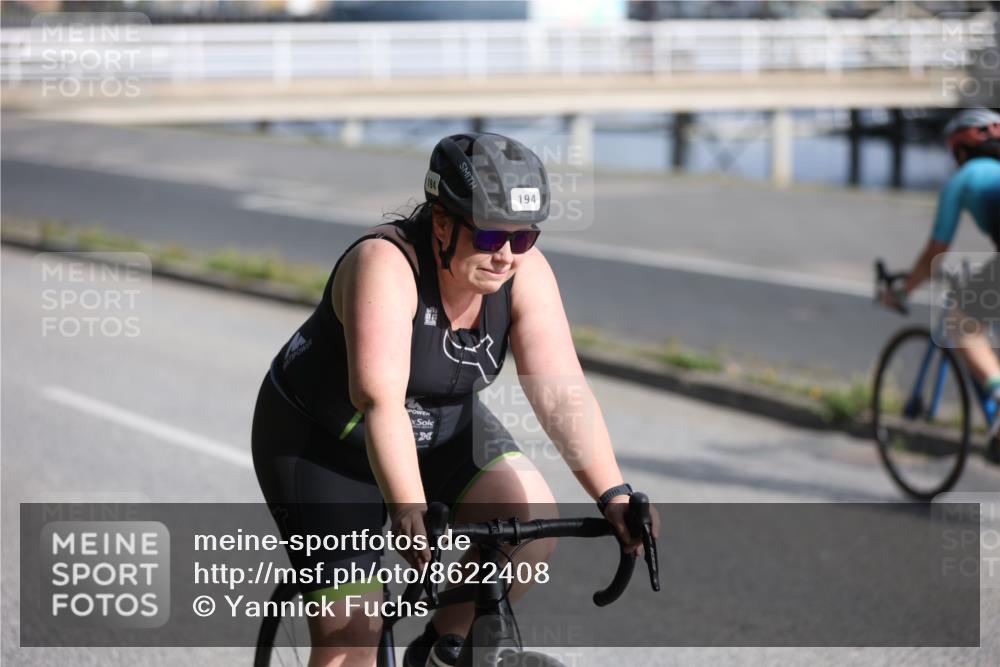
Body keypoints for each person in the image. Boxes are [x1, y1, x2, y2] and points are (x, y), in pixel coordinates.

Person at [251, 132, 660, 667]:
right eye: (490, 236)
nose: (507, 256)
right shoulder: (386, 265)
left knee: (528, 538)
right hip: (322, 442)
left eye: (525, 238)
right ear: (441, 222)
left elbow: (562, 391)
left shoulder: (524, 273)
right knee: (353, 639)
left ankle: (436, 652)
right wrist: (407, 508)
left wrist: (613, 493)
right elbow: (381, 404)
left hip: (441, 426)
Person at [881, 108, 1000, 428]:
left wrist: (904, 291)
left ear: (960, 151)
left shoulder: (963, 180)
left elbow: (935, 251)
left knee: (962, 326)